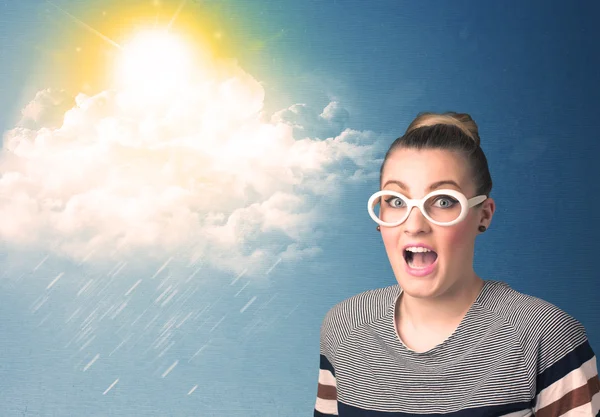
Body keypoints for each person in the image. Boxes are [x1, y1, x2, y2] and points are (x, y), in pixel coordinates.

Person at [313, 112, 599, 416]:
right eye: (396, 201)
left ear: (484, 215)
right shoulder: (343, 327)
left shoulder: (544, 336)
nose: (415, 224)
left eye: (444, 201)